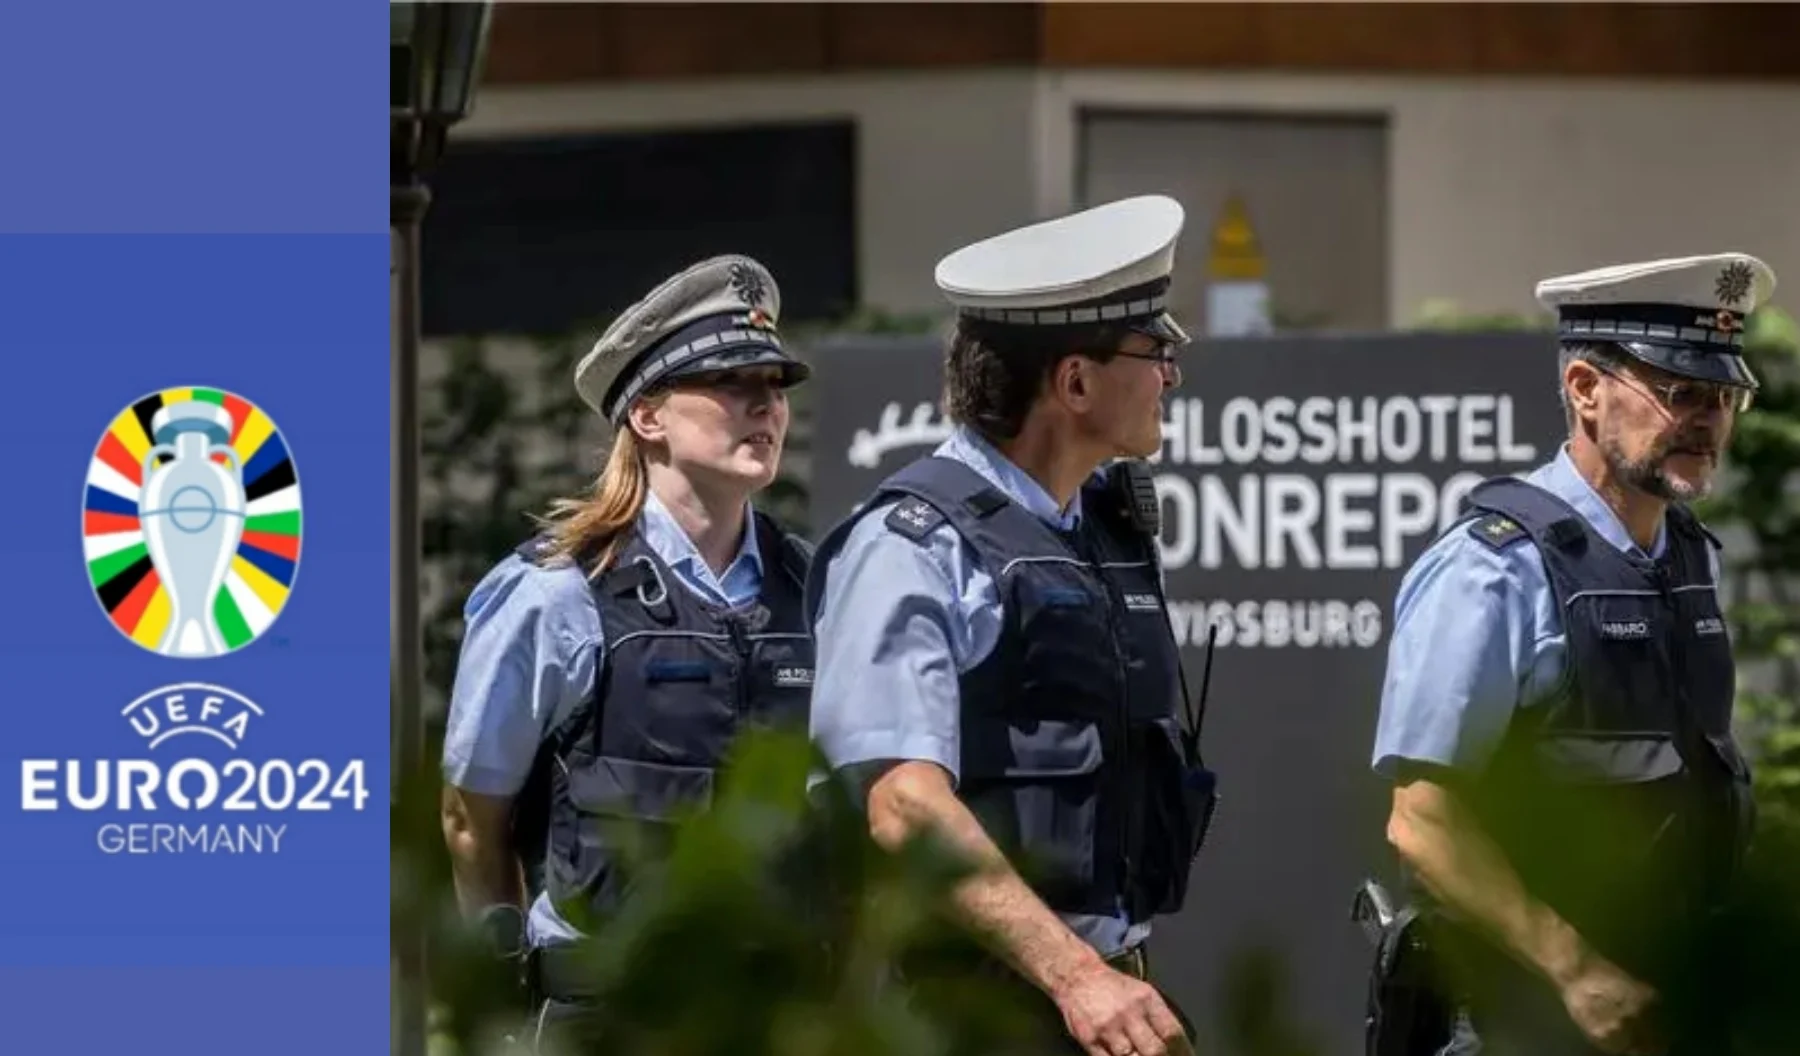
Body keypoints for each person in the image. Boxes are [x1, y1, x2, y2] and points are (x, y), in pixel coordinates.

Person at [806, 195, 1217, 1056]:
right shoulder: (911, 546)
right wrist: (1077, 978)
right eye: (1155, 352)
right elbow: (903, 805)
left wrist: (1098, 983)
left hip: (1105, 1000)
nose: (1172, 376)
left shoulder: (1099, 531)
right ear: (1075, 383)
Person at [1366, 253, 1773, 1056]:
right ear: (1585, 389)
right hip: (1526, 1012)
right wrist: (1577, 971)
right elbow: (1422, 822)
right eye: (1680, 392)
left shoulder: (1689, 554)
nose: (1709, 421)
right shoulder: (1494, 568)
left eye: (1725, 397)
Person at [436, 255, 818, 1048]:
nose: (766, 405)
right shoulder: (555, 593)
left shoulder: (814, 589)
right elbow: (471, 818)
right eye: (732, 382)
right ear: (647, 416)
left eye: (775, 384)